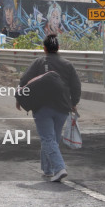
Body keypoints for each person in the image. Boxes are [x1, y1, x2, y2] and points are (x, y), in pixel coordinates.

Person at [17, 34, 81, 182]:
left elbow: (24, 80)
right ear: (58, 47)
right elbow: (76, 86)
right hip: (62, 107)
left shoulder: (39, 63)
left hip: (42, 107)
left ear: (44, 48)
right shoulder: (67, 64)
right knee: (53, 139)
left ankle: (59, 168)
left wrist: (20, 97)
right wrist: (74, 102)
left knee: (48, 138)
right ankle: (48, 169)